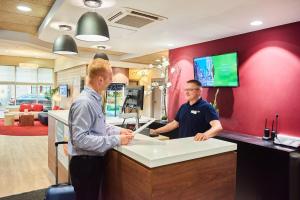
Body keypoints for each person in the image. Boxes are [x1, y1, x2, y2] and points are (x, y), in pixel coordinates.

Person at [68, 58, 134, 200]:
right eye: (109, 80)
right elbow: (80, 140)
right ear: (100, 80)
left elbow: (99, 127)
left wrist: (118, 131)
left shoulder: (94, 100)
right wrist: (116, 139)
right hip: (85, 165)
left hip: (92, 163)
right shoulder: (84, 103)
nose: (110, 83)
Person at [151, 79, 222, 141]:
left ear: (199, 91)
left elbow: (218, 127)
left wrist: (205, 134)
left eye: (190, 90)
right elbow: (174, 124)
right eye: (186, 90)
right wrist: (156, 131)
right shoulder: (183, 106)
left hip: (198, 145)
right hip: (183, 143)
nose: (187, 92)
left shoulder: (206, 107)